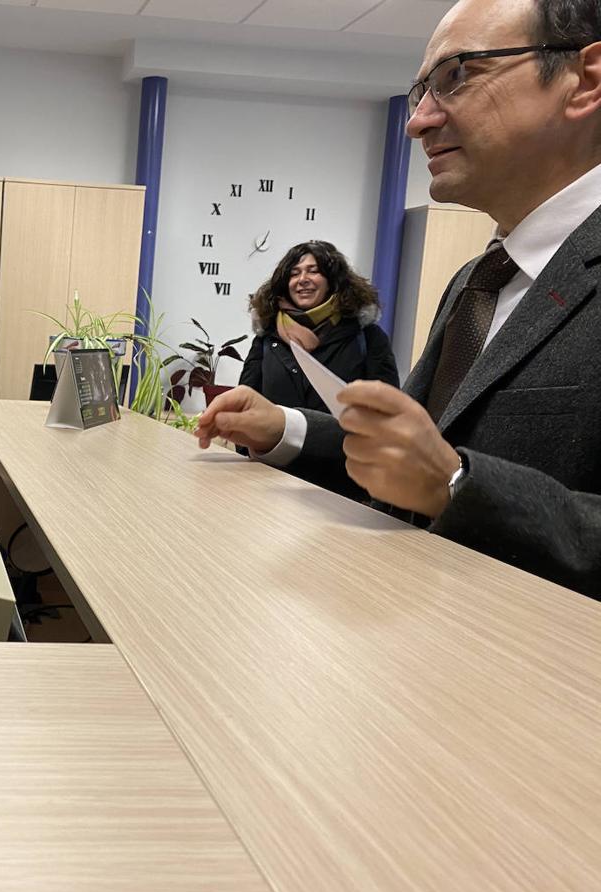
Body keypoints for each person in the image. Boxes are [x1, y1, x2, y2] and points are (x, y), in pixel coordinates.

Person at [198, 0, 601, 602]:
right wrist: (283, 426)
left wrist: (460, 483)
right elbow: (399, 459)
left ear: (584, 80)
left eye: (457, 75)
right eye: (421, 92)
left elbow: (438, 473)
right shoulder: (476, 281)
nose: (417, 122)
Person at [239, 240, 399, 412]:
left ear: (332, 280)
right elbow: (245, 405)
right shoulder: (267, 338)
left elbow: (387, 409)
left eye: (313, 272)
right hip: (276, 439)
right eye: (294, 274)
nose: (302, 280)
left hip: (343, 439)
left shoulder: (366, 337)